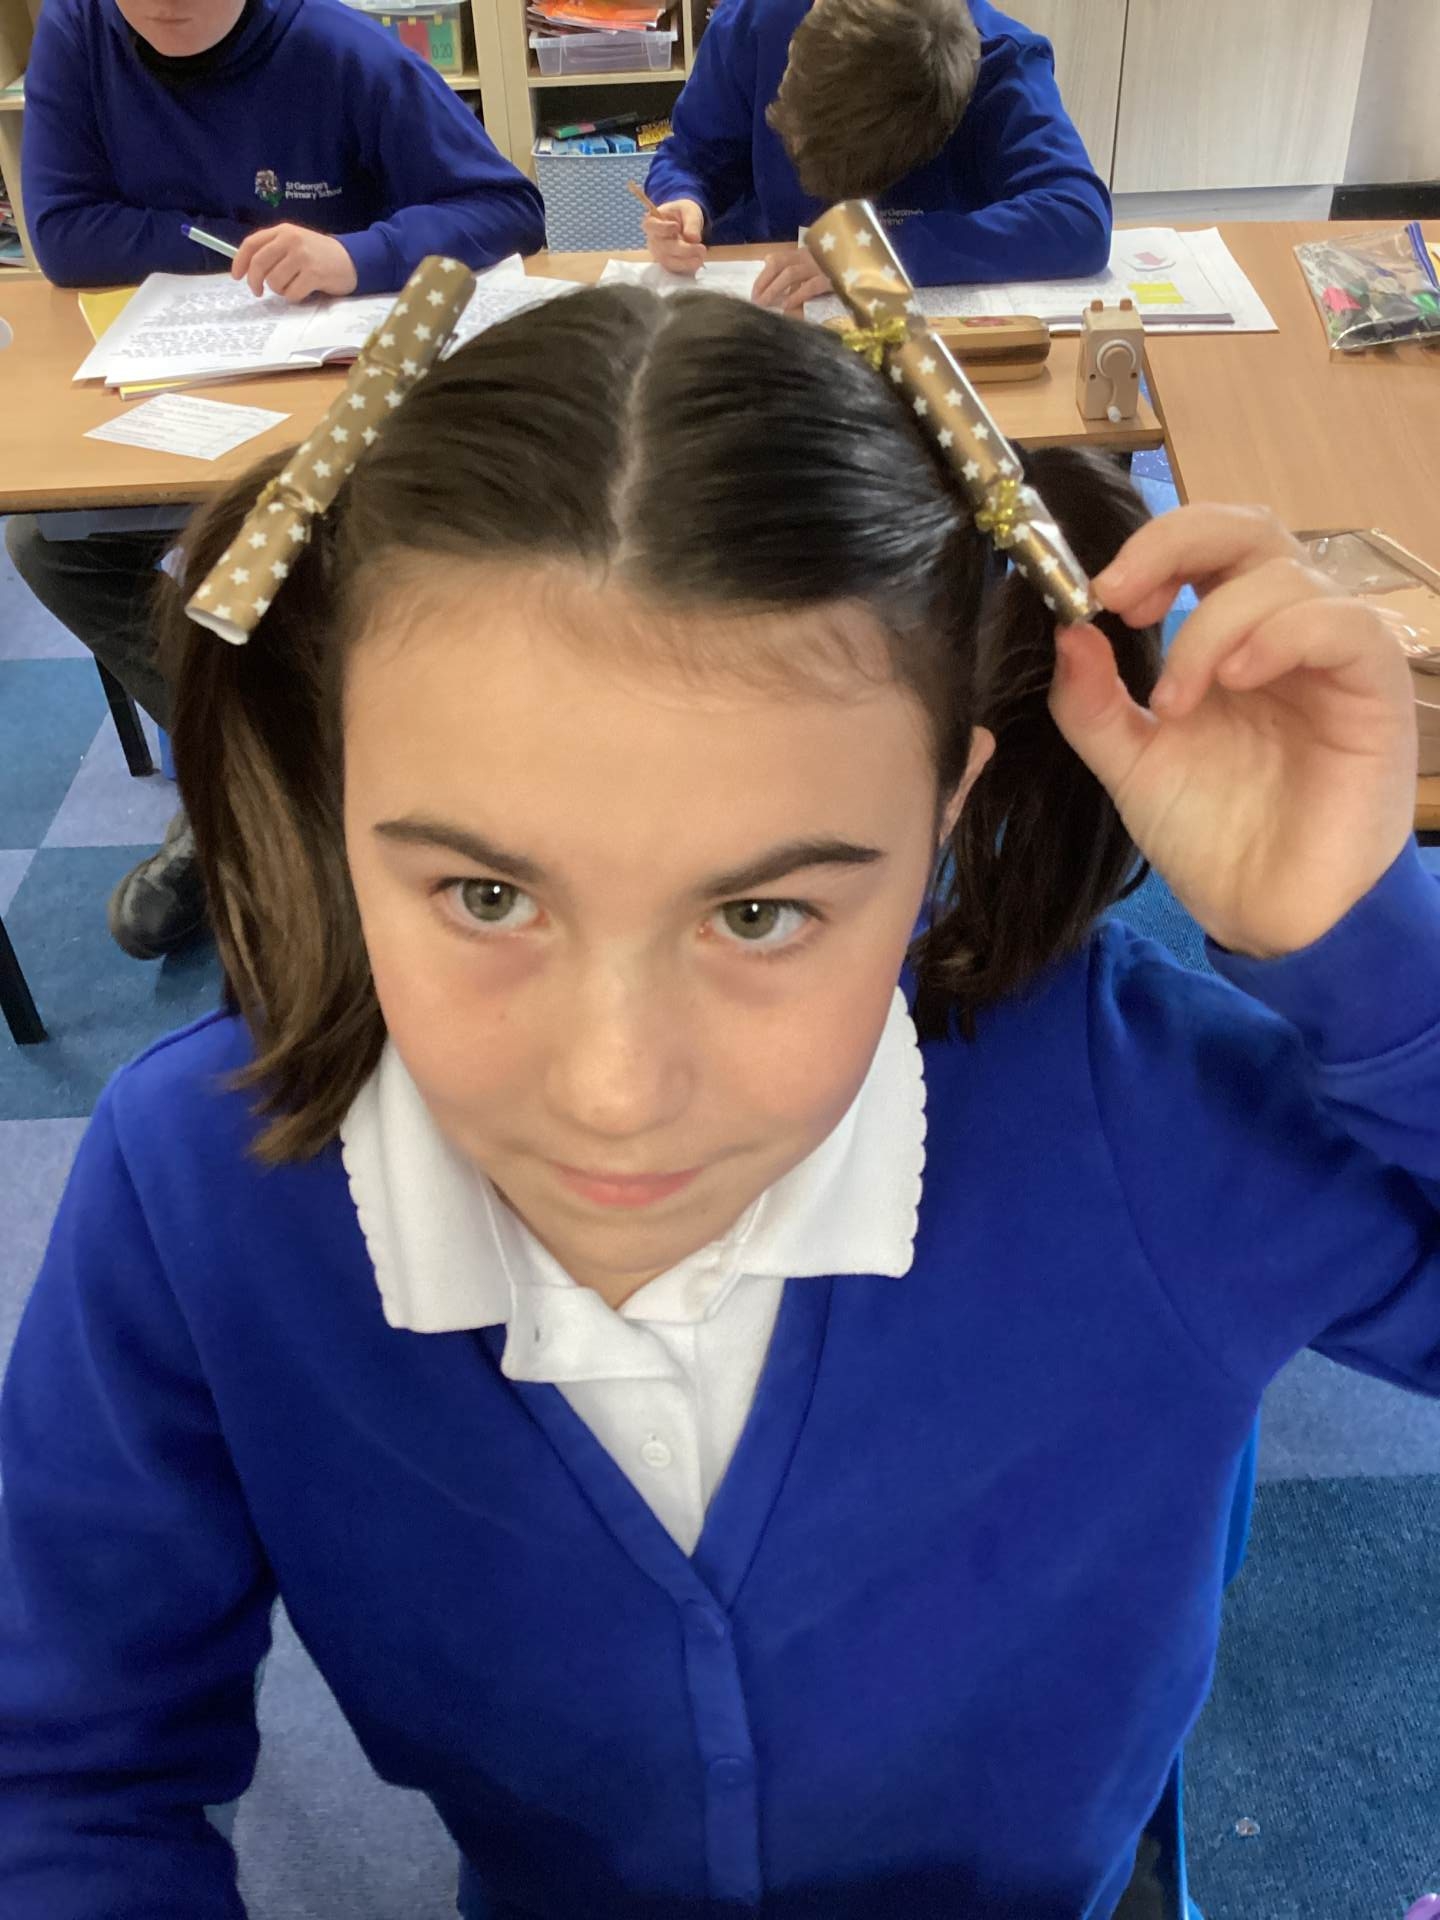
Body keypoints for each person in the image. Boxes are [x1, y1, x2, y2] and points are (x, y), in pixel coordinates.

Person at [1, 282, 1435, 1920]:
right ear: (340, 792)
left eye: (759, 914)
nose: (616, 1093)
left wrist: (1367, 954)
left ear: (945, 813)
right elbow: (63, 1774)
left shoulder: (1148, 1123)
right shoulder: (201, 1189)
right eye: (485, 896)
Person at [5, 0, 544, 959]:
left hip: (340, 404)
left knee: (354, 547)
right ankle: (260, 775)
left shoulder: (341, 49)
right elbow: (67, 234)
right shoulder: (77, 33)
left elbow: (508, 210)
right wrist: (242, 241)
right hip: (176, 383)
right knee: (53, 544)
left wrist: (354, 252)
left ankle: (279, 786)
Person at [643, 0, 1111, 313]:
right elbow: (691, 154)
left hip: (919, 322)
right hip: (775, 300)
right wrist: (684, 199)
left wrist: (878, 251)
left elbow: (1079, 216)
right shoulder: (753, 21)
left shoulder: (1003, 62)